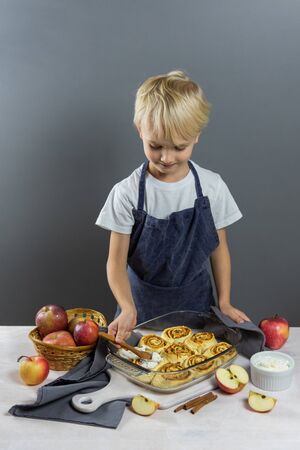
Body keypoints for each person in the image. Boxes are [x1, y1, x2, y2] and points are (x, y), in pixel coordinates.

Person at [96, 69, 251, 344]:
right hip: (139, 317)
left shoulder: (212, 187)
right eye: (155, 145)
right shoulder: (126, 193)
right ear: (139, 131)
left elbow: (219, 249)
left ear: (196, 136)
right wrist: (127, 306)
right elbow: (115, 263)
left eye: (179, 147)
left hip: (198, 316)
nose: (166, 157)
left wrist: (225, 302)